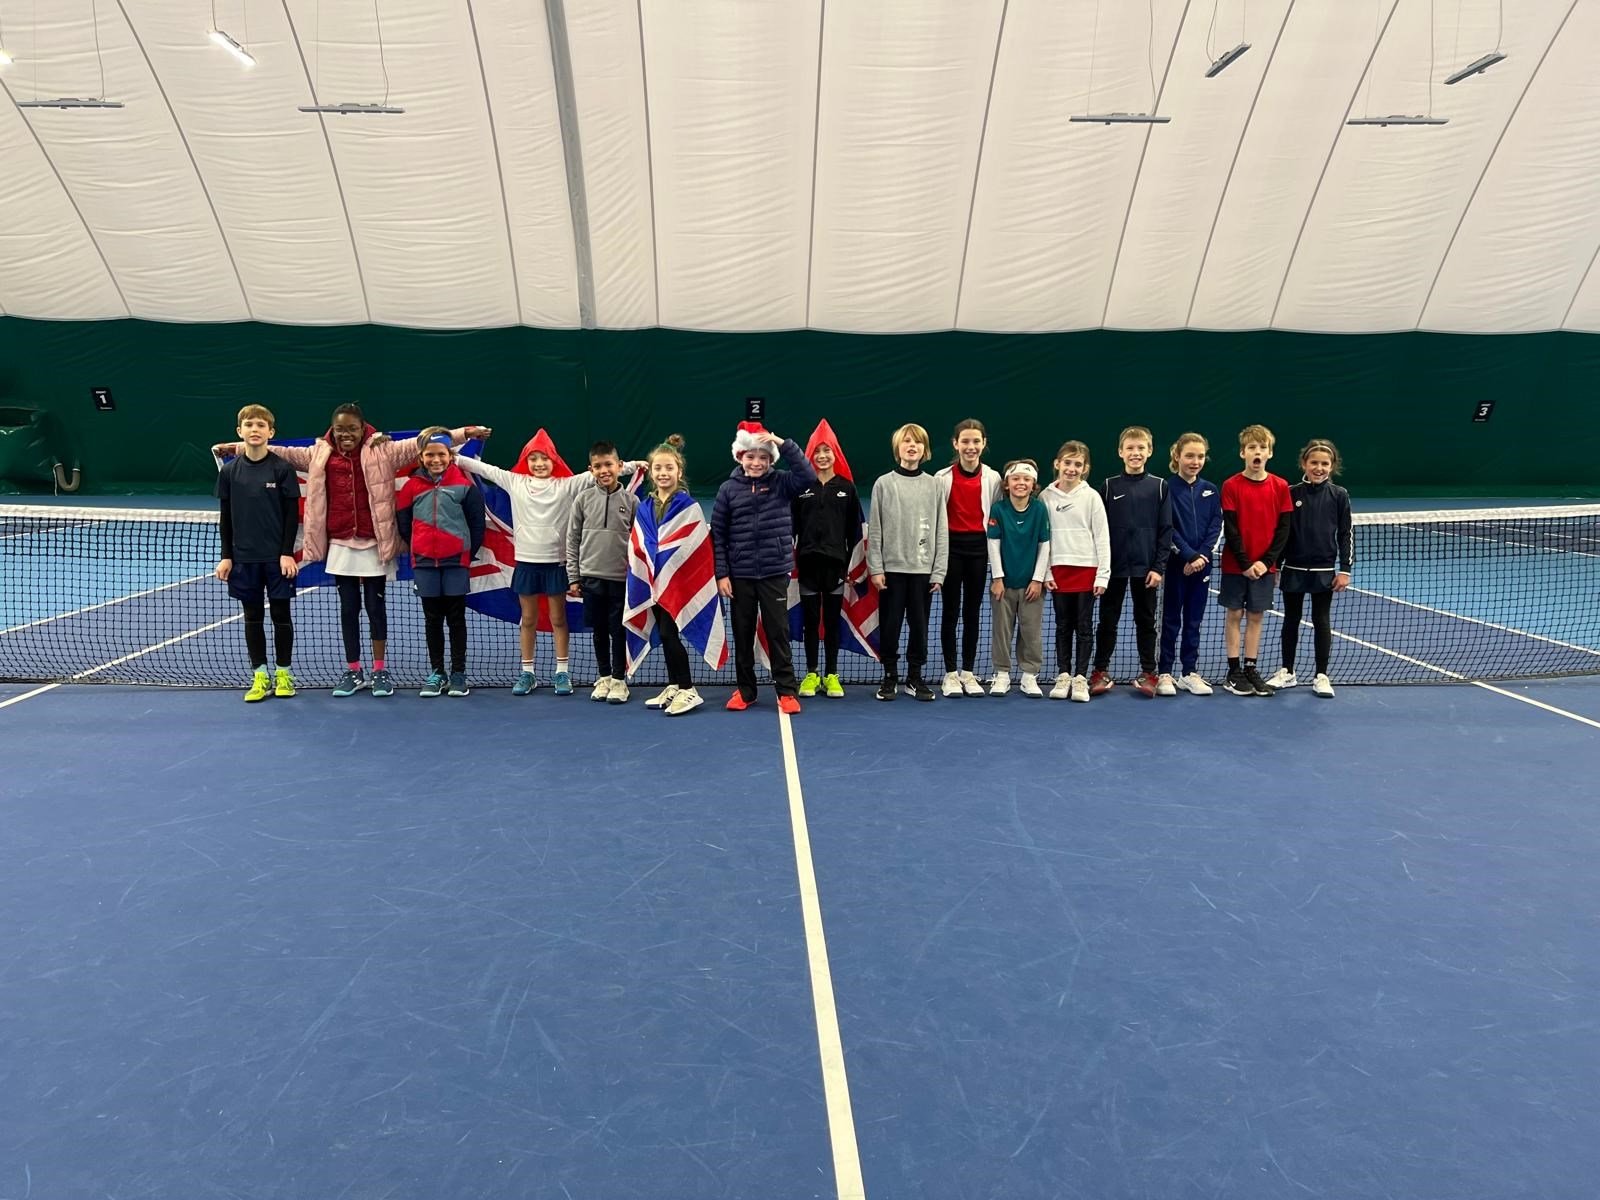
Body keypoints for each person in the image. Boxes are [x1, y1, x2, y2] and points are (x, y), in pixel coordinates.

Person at [216, 407, 485, 698]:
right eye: (341, 429)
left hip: (374, 542)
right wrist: (239, 447)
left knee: (375, 608)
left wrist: (464, 434)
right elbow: (283, 451)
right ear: (333, 429)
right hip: (340, 543)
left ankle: (380, 670)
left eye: (352, 429)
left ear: (362, 429)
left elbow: (419, 444)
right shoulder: (319, 453)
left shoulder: (383, 451)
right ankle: (354, 670)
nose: (346, 435)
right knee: (348, 610)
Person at [456, 430, 635, 697]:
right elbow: (485, 469)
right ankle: (528, 673)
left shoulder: (566, 486)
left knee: (557, 619)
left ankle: (562, 672)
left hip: (556, 565)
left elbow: (601, 472)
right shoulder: (515, 481)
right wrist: (455, 458)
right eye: (533, 459)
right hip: (526, 565)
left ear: (554, 461)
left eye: (545, 458)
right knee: (527, 619)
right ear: (526, 461)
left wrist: (636, 466)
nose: (539, 464)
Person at [711, 421, 816, 713]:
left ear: (771, 459)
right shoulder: (727, 490)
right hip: (740, 576)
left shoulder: (783, 483)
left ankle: (786, 691)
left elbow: (807, 475)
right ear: (739, 456)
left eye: (763, 457)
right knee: (743, 634)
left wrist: (782, 442)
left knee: (777, 632)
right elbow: (718, 534)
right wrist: (722, 573)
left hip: (774, 572)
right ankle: (746, 692)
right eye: (750, 456)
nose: (756, 462)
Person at [214, 404, 300, 702]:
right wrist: (227, 555)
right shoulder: (229, 472)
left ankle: (284, 674)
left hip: (276, 559)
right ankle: (260, 676)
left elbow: (292, 517)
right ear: (240, 432)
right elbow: (226, 517)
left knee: (280, 615)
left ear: (270, 432)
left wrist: (287, 553)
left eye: (261, 425)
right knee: (252, 617)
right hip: (243, 559)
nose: (255, 429)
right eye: (249, 425)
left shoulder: (282, 469)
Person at [625, 436, 716, 716]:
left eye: (669, 468)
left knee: (668, 632)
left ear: (679, 471)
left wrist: (669, 567)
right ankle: (675, 684)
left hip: (678, 585)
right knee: (665, 635)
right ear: (650, 472)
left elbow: (694, 547)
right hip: (652, 583)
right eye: (658, 468)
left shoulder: (688, 507)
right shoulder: (644, 507)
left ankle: (689, 689)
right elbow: (640, 542)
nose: (663, 473)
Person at [396, 429, 485, 698]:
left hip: (456, 562)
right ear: (421, 457)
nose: (436, 459)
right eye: (430, 455)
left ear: (450, 455)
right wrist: (420, 545)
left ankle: (458, 673)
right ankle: (437, 672)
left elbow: (477, 524)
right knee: (432, 619)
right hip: (424, 563)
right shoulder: (411, 487)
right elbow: (403, 523)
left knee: (457, 618)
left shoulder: (465, 486)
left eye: (441, 454)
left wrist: (464, 551)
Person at [1089, 426, 1172, 698]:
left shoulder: (1160, 486)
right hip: (1113, 569)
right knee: (1107, 621)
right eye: (1130, 448)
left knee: (1146, 621)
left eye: (1141, 448)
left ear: (1149, 452)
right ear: (1120, 452)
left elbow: (1165, 530)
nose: (1135, 453)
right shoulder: (1109, 485)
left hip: (1146, 570)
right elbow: (1099, 531)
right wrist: (1103, 567)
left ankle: (1149, 672)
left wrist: (1158, 567)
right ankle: (1099, 671)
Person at [868, 423, 948, 701]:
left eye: (917, 443)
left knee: (920, 626)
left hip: (923, 573)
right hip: (890, 573)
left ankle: (915, 677)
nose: (911, 446)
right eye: (906, 442)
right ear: (898, 448)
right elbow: (875, 529)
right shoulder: (883, 484)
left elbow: (941, 530)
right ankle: (889, 676)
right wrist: (876, 568)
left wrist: (938, 572)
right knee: (890, 627)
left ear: (925, 450)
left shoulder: (934, 485)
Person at [1267, 439, 1353, 698]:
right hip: (1293, 568)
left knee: (1321, 621)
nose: (1319, 468)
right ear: (1304, 463)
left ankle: (1321, 676)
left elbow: (1345, 533)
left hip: (1324, 572)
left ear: (1332, 466)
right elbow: (1281, 534)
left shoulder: (1339, 495)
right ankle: (1287, 671)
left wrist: (1345, 569)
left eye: (1324, 463)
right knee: (1291, 620)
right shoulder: (1290, 493)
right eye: (1314, 462)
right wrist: (1275, 565)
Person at [1218, 424, 1294, 697]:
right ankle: (1233, 670)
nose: (1257, 452)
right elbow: (1232, 528)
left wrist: (1266, 562)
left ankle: (1251, 668)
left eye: (1262, 448)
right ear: (1243, 453)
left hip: (1265, 566)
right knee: (1235, 614)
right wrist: (1245, 563)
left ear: (1270, 453)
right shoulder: (1230, 485)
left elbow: (1283, 529)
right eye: (1252, 448)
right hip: (1235, 565)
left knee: (1256, 616)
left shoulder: (1281, 486)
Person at [791, 420, 862, 699]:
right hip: (807, 564)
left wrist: (851, 565)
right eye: (817, 451)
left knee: (831, 621)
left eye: (827, 451)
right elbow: (791, 527)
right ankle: (811, 673)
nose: (822, 456)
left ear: (835, 454)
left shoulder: (847, 489)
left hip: (836, 566)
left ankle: (831, 674)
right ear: (810, 455)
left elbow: (854, 531)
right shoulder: (801, 488)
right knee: (810, 621)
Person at [566, 441, 641, 704]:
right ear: (590, 469)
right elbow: (572, 539)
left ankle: (620, 680)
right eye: (597, 466)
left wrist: (637, 579)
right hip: (591, 577)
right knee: (598, 630)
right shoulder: (583, 499)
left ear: (620, 467)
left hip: (621, 580)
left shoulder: (632, 501)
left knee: (618, 630)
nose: (604, 470)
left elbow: (639, 543)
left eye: (608, 464)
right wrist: (573, 576)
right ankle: (605, 676)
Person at [935, 419, 1002, 696]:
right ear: (955, 444)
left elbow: (996, 516)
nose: (971, 447)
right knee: (950, 613)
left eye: (976, 441)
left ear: (984, 444)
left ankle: (969, 673)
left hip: (978, 551)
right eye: (965, 441)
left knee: (972, 613)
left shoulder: (994, 478)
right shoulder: (942, 478)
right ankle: (950, 673)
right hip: (951, 550)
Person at [1042, 441, 1110, 702]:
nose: (1071, 468)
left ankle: (1080, 678)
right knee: (1062, 625)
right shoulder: (1045, 497)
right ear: (1057, 464)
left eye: (1077, 464)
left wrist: (1102, 574)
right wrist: (1046, 572)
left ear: (1085, 468)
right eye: (1067, 463)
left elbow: (1102, 537)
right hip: (1058, 571)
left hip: (1086, 570)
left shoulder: (1091, 496)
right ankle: (1063, 675)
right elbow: (1043, 539)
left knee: (1083, 626)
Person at [1158, 433, 1223, 697]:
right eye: (1189, 456)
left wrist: (1202, 557)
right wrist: (1188, 556)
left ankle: (1188, 672)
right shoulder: (1166, 488)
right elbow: (1167, 528)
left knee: (1194, 621)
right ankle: (1164, 672)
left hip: (1202, 567)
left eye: (1200, 456)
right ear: (1177, 457)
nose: (1195, 461)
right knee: (1171, 620)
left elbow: (1216, 525)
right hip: (1176, 566)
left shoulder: (1211, 489)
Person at [984, 459, 1051, 697]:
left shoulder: (1040, 509)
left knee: (1031, 631)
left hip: (1032, 584)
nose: (1021, 483)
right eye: (1016, 479)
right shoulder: (999, 510)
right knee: (1001, 630)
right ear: (1007, 484)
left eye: (1026, 479)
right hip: (1004, 584)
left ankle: (1029, 676)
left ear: (1033, 485)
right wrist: (998, 577)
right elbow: (993, 543)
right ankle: (1001, 674)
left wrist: (1037, 579)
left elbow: (1044, 545)